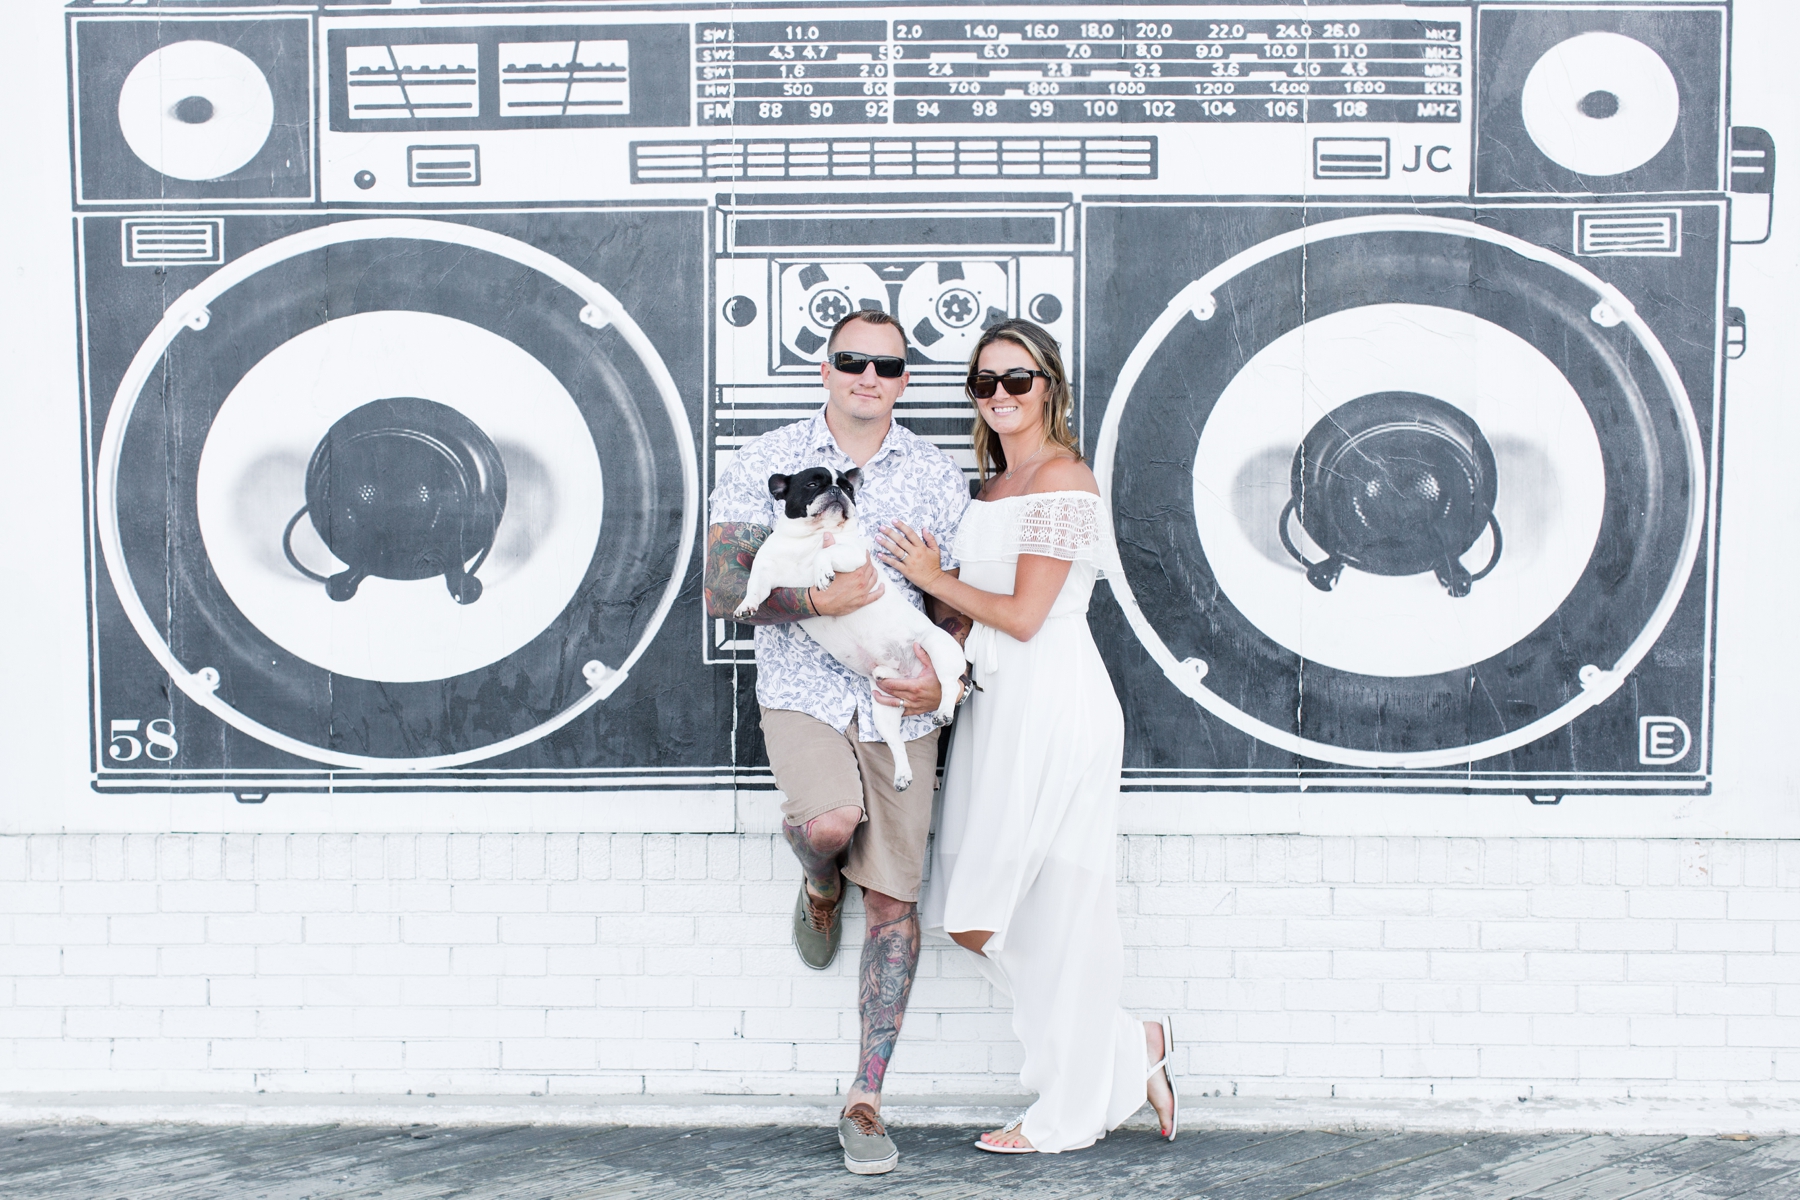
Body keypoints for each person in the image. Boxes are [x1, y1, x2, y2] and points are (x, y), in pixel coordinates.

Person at [876, 319, 1179, 1154]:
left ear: (1051, 386)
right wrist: (931, 616)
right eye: (985, 384)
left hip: (1055, 702)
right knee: (980, 916)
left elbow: (1026, 615)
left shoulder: (1064, 481)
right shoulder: (991, 488)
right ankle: (1129, 1042)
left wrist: (937, 578)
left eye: (1018, 380)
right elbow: (976, 619)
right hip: (994, 705)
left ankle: (1069, 1110)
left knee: (1061, 909)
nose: (1001, 396)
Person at [704, 308, 973, 1176]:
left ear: (903, 380)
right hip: (804, 689)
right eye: (853, 361)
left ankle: (865, 1100)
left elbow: (953, 601)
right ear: (826, 369)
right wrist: (817, 604)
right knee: (828, 823)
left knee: (896, 900)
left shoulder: (935, 476)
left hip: (906, 700)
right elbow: (720, 585)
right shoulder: (764, 463)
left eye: (887, 367)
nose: (869, 377)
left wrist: (945, 677)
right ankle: (820, 881)